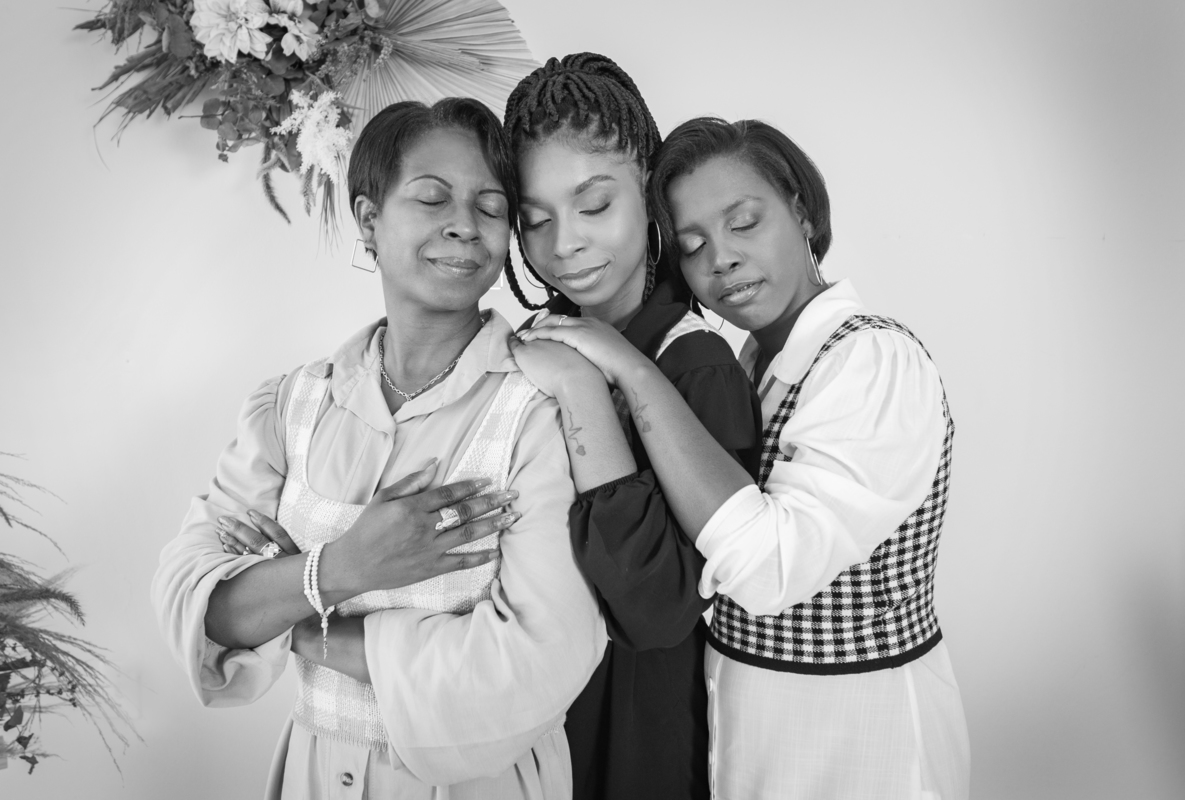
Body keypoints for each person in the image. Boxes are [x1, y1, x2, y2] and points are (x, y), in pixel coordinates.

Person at [151, 98, 607, 800]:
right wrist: (341, 568)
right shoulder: (291, 405)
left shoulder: (540, 411)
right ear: (368, 219)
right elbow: (193, 599)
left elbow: (544, 658)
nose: (465, 224)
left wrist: (301, 625)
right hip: (312, 775)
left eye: (491, 207)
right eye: (432, 198)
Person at [518, 116, 971, 799]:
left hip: (858, 736)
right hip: (745, 732)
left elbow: (767, 568)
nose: (720, 259)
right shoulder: (763, 360)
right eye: (693, 245)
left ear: (800, 208)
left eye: (744, 222)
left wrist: (632, 371)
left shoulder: (874, 359)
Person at [501, 54, 760, 800]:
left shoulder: (697, 366)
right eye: (535, 219)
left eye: (593, 205)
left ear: (647, 190)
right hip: (529, 721)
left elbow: (659, 610)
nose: (565, 244)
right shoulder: (532, 345)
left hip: (634, 738)